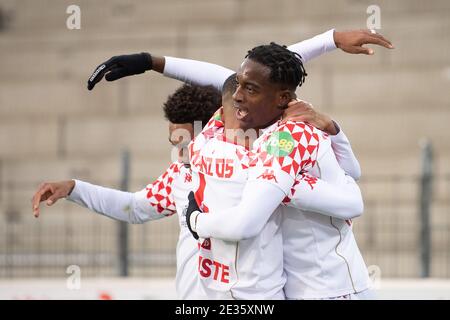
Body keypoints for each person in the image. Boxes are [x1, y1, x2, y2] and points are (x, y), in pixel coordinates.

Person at [31, 84, 221, 300]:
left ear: (214, 133)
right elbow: (134, 208)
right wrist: (74, 188)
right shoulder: (180, 175)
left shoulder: (248, 173)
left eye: (185, 145)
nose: (179, 155)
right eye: (175, 145)